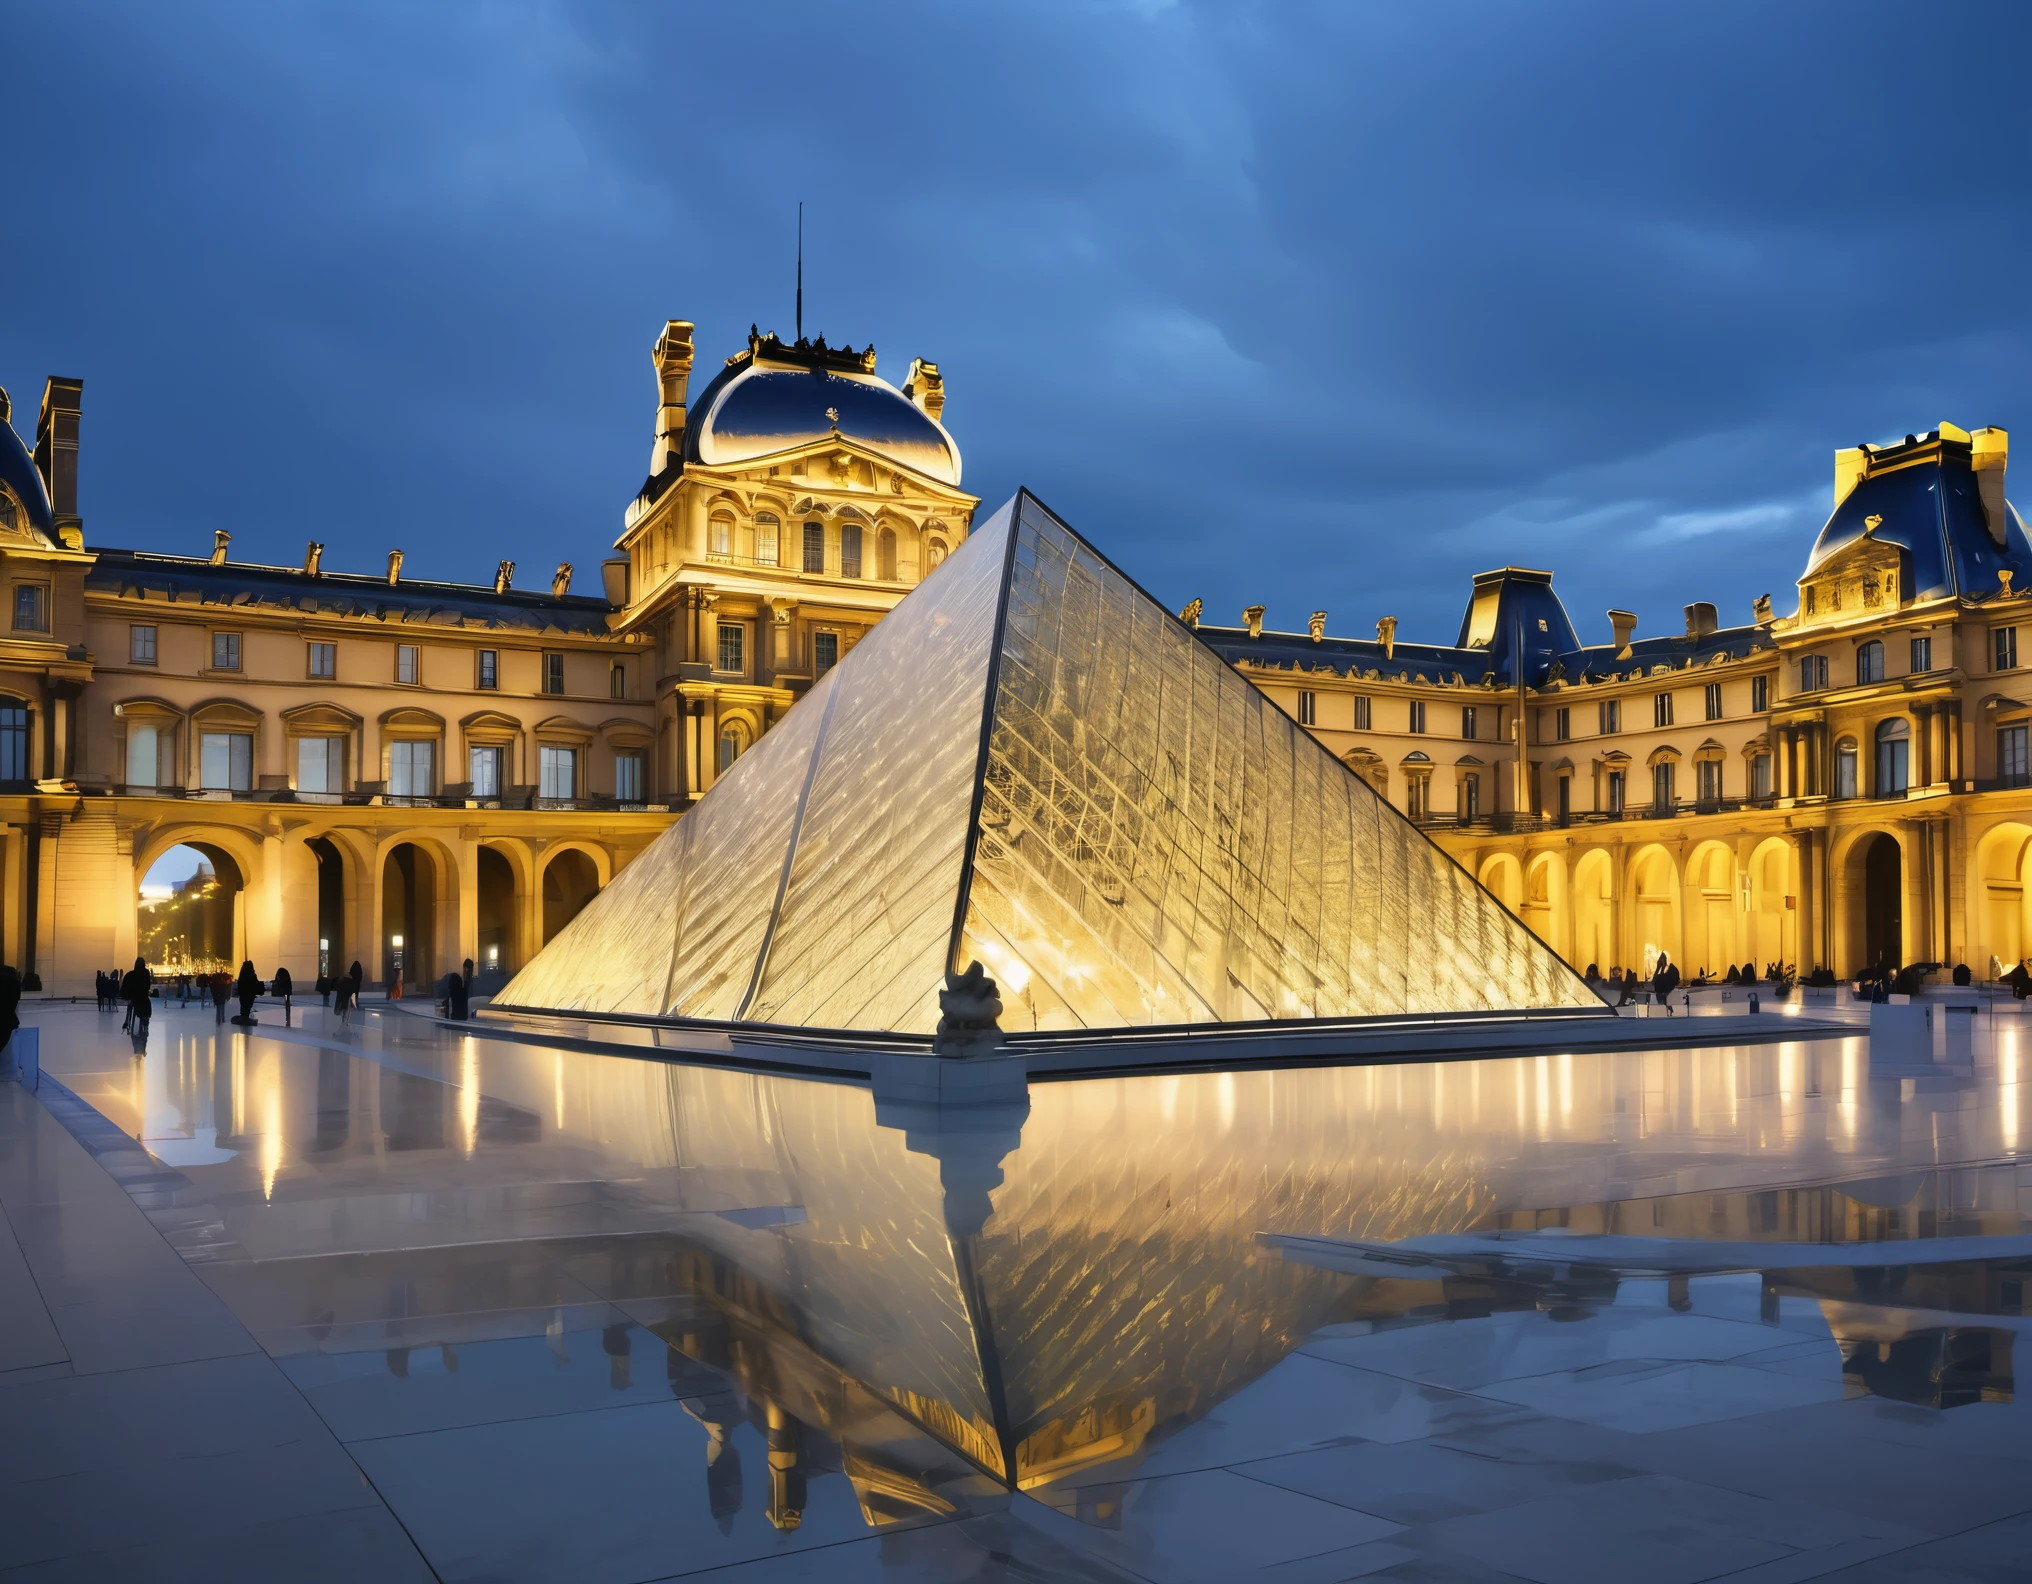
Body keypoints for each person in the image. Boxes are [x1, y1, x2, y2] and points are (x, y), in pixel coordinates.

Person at [121, 957, 153, 1038]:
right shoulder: (145, 973)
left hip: (133, 998)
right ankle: (145, 1026)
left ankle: (127, 1021)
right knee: (146, 1008)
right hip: (143, 999)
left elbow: (124, 989)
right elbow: (147, 986)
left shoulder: (130, 975)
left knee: (131, 1006)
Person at [232, 960, 261, 1026]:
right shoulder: (252, 975)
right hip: (250, 995)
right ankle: (246, 1020)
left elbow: (240, 985)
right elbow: (255, 984)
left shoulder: (242, 974)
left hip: (243, 995)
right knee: (247, 1008)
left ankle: (244, 1020)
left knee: (244, 1008)